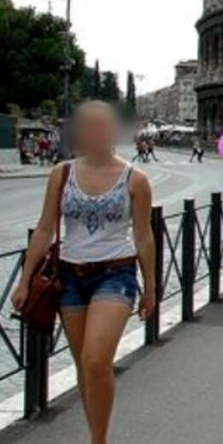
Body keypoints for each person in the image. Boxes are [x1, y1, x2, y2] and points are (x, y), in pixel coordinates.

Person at [14, 101, 156, 444]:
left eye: (102, 125)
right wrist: (24, 280)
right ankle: (98, 436)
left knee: (95, 360)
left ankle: (98, 441)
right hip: (69, 277)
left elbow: (143, 234)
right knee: (84, 367)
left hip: (115, 273)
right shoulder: (61, 173)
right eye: (88, 125)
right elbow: (46, 228)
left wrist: (150, 286)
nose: (95, 131)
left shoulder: (135, 179)